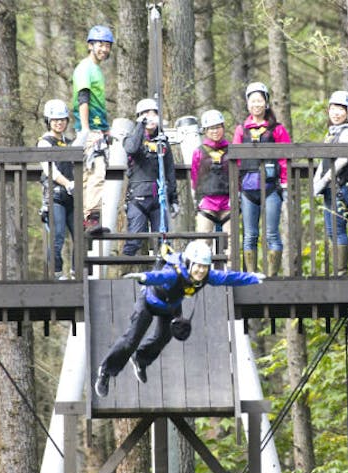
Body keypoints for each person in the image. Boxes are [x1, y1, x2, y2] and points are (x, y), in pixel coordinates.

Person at [94, 240, 265, 397]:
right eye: (198, 267)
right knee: (131, 340)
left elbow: (228, 278)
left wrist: (252, 278)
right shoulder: (174, 273)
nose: (201, 271)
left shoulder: (206, 277)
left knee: (163, 337)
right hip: (148, 303)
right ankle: (106, 372)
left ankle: (140, 359)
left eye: (205, 267)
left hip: (171, 307)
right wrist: (144, 278)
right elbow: (159, 277)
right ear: (189, 263)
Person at [232, 81, 291, 277]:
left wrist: (285, 182)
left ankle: (272, 276)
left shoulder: (277, 129)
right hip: (248, 188)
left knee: (272, 233)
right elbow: (235, 159)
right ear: (247, 104)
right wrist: (236, 187)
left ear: (266, 103)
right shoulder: (242, 130)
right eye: (252, 101)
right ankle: (251, 274)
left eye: (260, 100)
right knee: (250, 235)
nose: (256, 104)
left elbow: (285, 157)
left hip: (271, 187)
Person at [121, 98, 179, 256]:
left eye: (154, 114)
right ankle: (123, 275)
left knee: (163, 242)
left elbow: (170, 171)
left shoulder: (163, 142)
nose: (151, 117)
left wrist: (173, 199)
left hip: (158, 198)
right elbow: (131, 149)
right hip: (138, 197)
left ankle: (163, 276)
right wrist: (141, 124)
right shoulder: (132, 140)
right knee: (134, 241)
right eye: (147, 114)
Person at [72, 25, 114, 235]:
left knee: (90, 174)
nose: (104, 49)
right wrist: (87, 129)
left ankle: (86, 217)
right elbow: (84, 98)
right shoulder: (85, 68)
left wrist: (105, 130)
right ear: (90, 45)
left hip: (98, 129)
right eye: (100, 45)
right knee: (96, 171)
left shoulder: (96, 69)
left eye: (107, 45)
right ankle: (91, 217)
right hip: (90, 130)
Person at [313, 90, 348, 276]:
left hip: (339, 187)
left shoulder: (347, 131)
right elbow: (323, 162)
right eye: (333, 108)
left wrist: (326, 178)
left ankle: (341, 272)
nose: (336, 113)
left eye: (341, 109)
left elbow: (343, 159)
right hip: (330, 188)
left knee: (337, 229)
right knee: (332, 231)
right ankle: (339, 270)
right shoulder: (332, 133)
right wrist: (318, 182)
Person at [38, 99, 75, 280]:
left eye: (62, 119)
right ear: (48, 121)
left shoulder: (70, 142)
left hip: (73, 197)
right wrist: (68, 183)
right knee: (58, 235)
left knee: (80, 237)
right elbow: (50, 170)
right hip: (55, 196)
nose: (59, 123)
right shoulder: (44, 142)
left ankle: (77, 272)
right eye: (55, 120)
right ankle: (57, 273)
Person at [191, 109, 232, 266]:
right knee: (203, 241)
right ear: (205, 131)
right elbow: (195, 176)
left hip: (228, 200)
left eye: (218, 127)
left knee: (231, 242)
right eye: (211, 128)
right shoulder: (199, 152)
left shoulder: (231, 150)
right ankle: (200, 274)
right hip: (208, 201)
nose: (215, 131)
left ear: (223, 127)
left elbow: (238, 174)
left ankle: (231, 274)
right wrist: (199, 197)